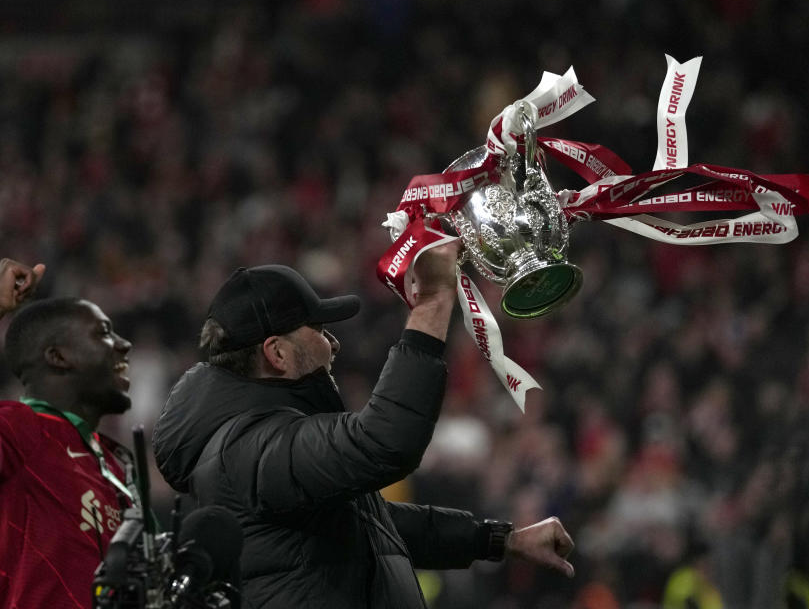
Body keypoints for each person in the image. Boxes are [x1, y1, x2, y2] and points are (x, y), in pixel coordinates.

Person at [152, 243, 576, 608]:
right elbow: (386, 440)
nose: (332, 343)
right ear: (277, 353)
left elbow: (376, 526)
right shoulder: (245, 448)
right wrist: (432, 304)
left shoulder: (260, 442)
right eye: (317, 329)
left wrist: (502, 540)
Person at [0, 297, 136, 608]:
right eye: (103, 332)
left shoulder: (119, 465)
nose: (123, 344)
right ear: (58, 356)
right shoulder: (18, 430)